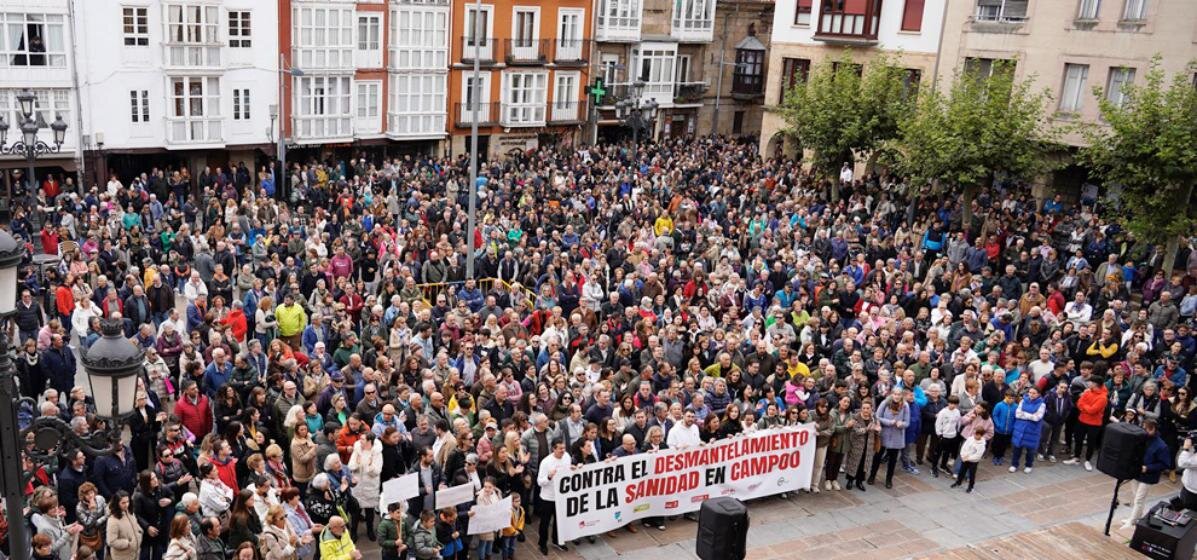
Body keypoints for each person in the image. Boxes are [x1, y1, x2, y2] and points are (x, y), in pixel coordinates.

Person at [1121, 419, 1173, 529]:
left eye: (1149, 429)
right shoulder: (1142, 439)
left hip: (1148, 476)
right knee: (1137, 497)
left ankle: (1132, 521)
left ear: (1154, 429)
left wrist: (1148, 468)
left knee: (1139, 499)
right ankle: (1137, 518)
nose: (1146, 431)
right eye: (1144, 428)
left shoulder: (1161, 446)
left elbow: (1165, 464)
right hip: (1137, 472)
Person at [1064, 375, 1109, 471]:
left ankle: (1087, 460)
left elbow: (1092, 410)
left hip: (1094, 423)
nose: (1088, 383)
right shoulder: (1088, 391)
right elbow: (1079, 403)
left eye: (1090, 382)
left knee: (1090, 442)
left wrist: (1084, 407)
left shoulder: (1103, 398)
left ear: (1095, 384)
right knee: (1078, 439)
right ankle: (1076, 458)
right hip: (1082, 420)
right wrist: (1086, 407)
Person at [535, 439, 570, 555]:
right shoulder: (546, 462)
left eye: (564, 448)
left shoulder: (567, 457)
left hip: (561, 496)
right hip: (547, 497)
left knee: (559, 521)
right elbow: (540, 482)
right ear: (553, 449)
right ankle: (542, 543)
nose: (563, 451)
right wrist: (549, 477)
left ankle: (557, 541)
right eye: (560, 449)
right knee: (545, 522)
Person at [1010, 387, 1046, 474]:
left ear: (1038, 394)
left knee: (1030, 450)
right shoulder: (1023, 401)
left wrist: (1025, 414)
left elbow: (1037, 417)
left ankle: (1028, 465)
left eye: (1034, 393)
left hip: (1032, 430)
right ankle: (1014, 465)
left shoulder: (1042, 404)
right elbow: (1018, 414)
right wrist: (1030, 415)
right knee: (1017, 448)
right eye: (1030, 392)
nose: (1031, 395)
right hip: (1020, 429)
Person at [106, 491, 145, 560]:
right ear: (117, 503)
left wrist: (139, 532)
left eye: (128, 501)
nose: (127, 504)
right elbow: (111, 541)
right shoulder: (113, 520)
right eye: (123, 503)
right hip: (122, 556)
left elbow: (135, 525)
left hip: (135, 553)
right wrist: (128, 543)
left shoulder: (130, 512)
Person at [953, 427, 988, 493]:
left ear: (981, 435)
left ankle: (971, 486)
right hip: (965, 458)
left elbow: (978, 455)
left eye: (977, 435)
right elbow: (964, 447)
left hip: (973, 462)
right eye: (975, 434)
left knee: (972, 474)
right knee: (961, 471)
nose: (975, 436)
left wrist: (968, 458)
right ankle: (958, 482)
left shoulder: (982, 445)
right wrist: (963, 455)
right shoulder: (970, 439)